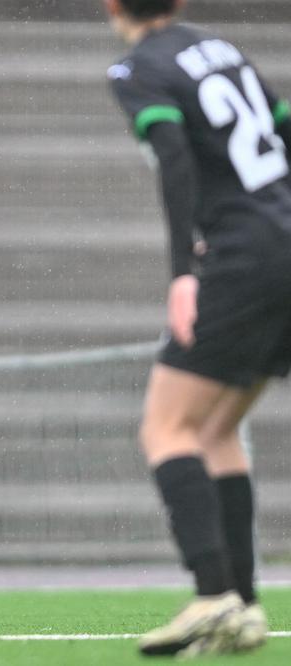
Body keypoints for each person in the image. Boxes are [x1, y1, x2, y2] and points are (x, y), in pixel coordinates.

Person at [105, 0, 291, 657]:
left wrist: (185, 270)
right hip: (282, 242)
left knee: (166, 427)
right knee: (215, 430)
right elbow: (285, 128)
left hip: (241, 255)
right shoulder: (221, 49)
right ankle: (242, 606)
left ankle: (212, 594)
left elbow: (176, 161)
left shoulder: (138, 67)